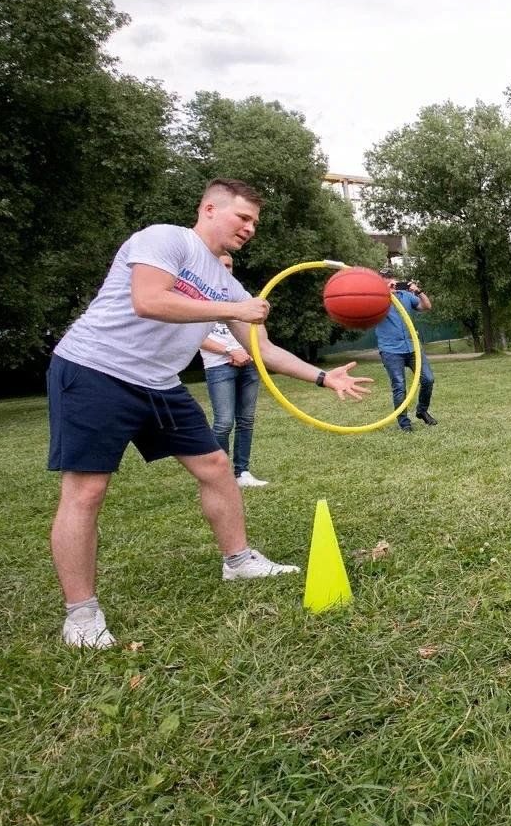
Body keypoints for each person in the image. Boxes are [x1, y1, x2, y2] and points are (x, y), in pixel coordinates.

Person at [48, 178, 372, 649]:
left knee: (217, 466)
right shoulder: (166, 239)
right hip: (97, 369)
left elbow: (263, 349)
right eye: (243, 218)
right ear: (209, 208)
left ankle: (237, 561)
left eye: (255, 222)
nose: (250, 228)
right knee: (87, 489)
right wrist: (233, 305)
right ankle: (81, 615)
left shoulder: (225, 282)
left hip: (158, 382)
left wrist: (324, 378)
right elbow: (150, 300)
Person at [199, 253, 269, 487]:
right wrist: (230, 352)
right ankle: (220, 475)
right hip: (219, 366)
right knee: (223, 422)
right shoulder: (199, 297)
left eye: (229, 265)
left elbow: (255, 328)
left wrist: (252, 351)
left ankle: (243, 472)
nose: (225, 269)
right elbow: (197, 337)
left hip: (248, 363)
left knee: (246, 420)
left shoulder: (240, 297)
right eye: (221, 265)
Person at [375, 278, 436, 431]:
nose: (393, 285)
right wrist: (384, 294)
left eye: (394, 282)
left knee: (428, 379)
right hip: (391, 350)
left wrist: (418, 291)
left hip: (412, 347)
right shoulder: (377, 300)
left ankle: (422, 411)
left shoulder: (406, 296)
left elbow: (427, 306)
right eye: (388, 282)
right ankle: (404, 423)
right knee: (399, 386)